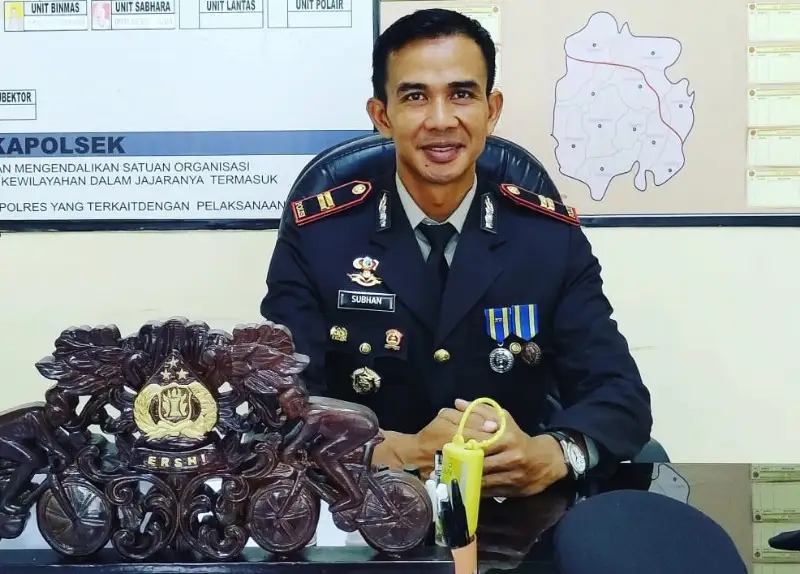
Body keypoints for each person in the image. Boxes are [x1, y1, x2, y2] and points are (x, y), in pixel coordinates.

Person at [260, 8, 652, 499]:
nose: (442, 120)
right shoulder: (319, 236)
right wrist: (399, 452)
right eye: (415, 96)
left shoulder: (548, 239)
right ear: (382, 116)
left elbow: (619, 394)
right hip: (362, 504)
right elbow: (282, 404)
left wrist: (555, 454)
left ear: (492, 109)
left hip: (512, 509)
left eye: (462, 94)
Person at [277, 384, 380, 513]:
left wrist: (287, 452)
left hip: (363, 428)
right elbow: (300, 434)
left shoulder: (313, 415)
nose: (283, 411)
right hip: (355, 423)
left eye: (284, 407)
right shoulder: (308, 407)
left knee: (323, 455)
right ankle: (336, 481)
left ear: (296, 404)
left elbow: (299, 440)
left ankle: (355, 496)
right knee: (316, 450)